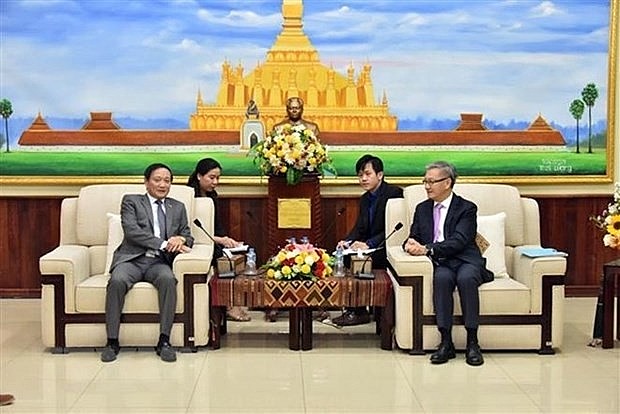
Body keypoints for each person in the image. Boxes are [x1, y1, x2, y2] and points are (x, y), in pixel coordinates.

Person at [403, 161, 493, 366]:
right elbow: (414, 235)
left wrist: (427, 249)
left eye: (432, 181)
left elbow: (460, 241)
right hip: (441, 262)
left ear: (447, 183)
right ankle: (446, 342)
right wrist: (409, 243)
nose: (427, 186)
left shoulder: (466, 208)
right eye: (425, 181)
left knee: (466, 278)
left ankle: (472, 342)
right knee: (441, 278)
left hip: (465, 259)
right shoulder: (422, 208)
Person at [101, 163, 193, 363]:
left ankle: (164, 341)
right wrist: (165, 243)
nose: (162, 185)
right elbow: (132, 232)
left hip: (158, 263)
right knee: (117, 281)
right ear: (146, 182)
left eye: (167, 181)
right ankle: (112, 341)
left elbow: (187, 234)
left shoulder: (177, 207)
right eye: (157, 180)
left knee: (169, 280)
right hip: (132, 259)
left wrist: (181, 240)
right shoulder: (131, 201)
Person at [333, 154, 403, 326]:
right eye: (360, 175)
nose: (363, 178)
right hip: (371, 246)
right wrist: (347, 242)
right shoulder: (365, 198)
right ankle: (353, 308)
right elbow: (360, 228)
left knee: (358, 260)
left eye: (367, 173)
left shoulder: (394, 194)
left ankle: (358, 311)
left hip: (387, 247)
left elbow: (393, 228)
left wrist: (368, 244)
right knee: (341, 255)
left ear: (380, 175)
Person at [187, 158, 251, 322]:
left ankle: (235, 302)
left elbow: (217, 227)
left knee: (238, 255)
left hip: (213, 242)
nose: (215, 182)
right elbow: (194, 231)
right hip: (195, 244)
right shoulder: (188, 197)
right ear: (199, 176)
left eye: (218, 178)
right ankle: (230, 306)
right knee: (223, 259)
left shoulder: (212, 196)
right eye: (211, 177)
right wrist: (221, 240)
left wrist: (230, 241)